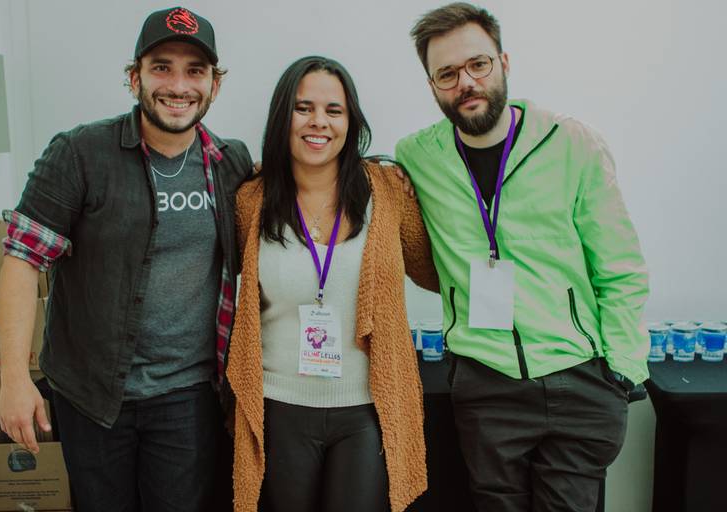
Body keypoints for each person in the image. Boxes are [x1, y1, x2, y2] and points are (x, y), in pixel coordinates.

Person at [0, 7, 252, 511]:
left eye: (195, 71)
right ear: (135, 77)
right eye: (162, 68)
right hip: (91, 395)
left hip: (187, 395)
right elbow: (22, 260)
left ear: (215, 85)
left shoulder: (231, 163)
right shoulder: (80, 154)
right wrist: (13, 379)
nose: (178, 85)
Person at [395, 3, 649, 511]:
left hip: (579, 375)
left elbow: (621, 268)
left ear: (504, 62)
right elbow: (348, 174)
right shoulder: (416, 157)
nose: (466, 82)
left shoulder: (571, 142)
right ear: (432, 85)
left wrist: (621, 370)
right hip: (485, 381)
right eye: (447, 73)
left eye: (478, 64)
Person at [226, 56, 439, 512]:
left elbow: (435, 270)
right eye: (303, 108)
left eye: (333, 110)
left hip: (367, 410)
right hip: (278, 406)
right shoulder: (251, 200)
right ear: (282, 116)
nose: (318, 121)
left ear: (350, 121)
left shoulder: (387, 190)